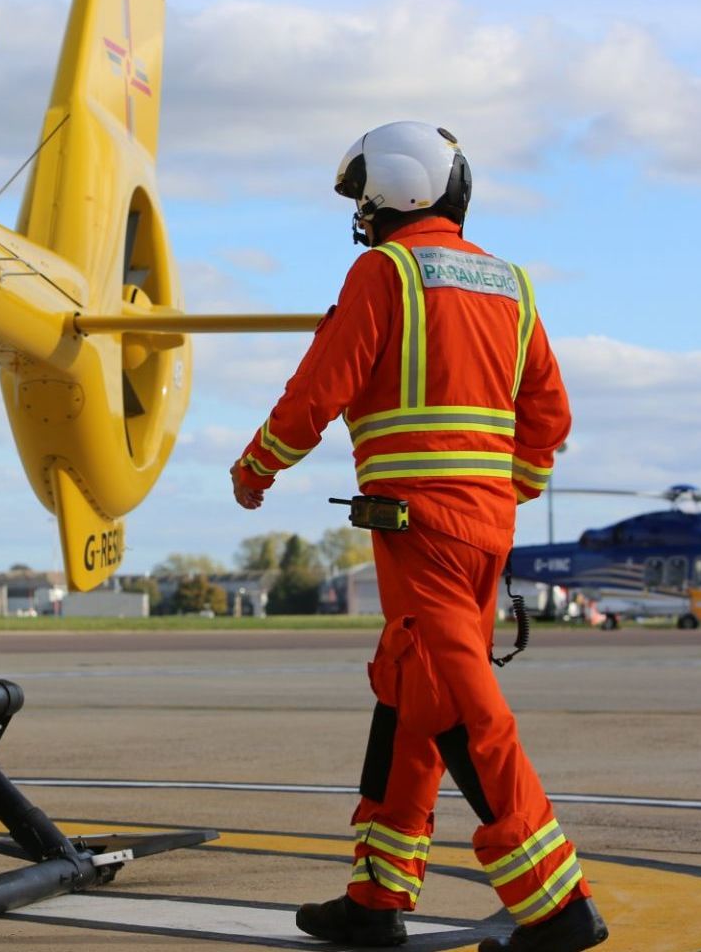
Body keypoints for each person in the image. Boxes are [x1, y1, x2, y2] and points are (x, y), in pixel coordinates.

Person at [230, 122, 608, 952]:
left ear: (394, 189)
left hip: (419, 531)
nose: (359, 211)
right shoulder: (512, 285)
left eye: (363, 193)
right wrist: (512, 492)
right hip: (483, 533)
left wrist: (256, 466)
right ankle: (376, 896)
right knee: (413, 696)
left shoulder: (387, 271)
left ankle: (555, 905)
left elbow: (318, 389)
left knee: (465, 711)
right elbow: (549, 416)